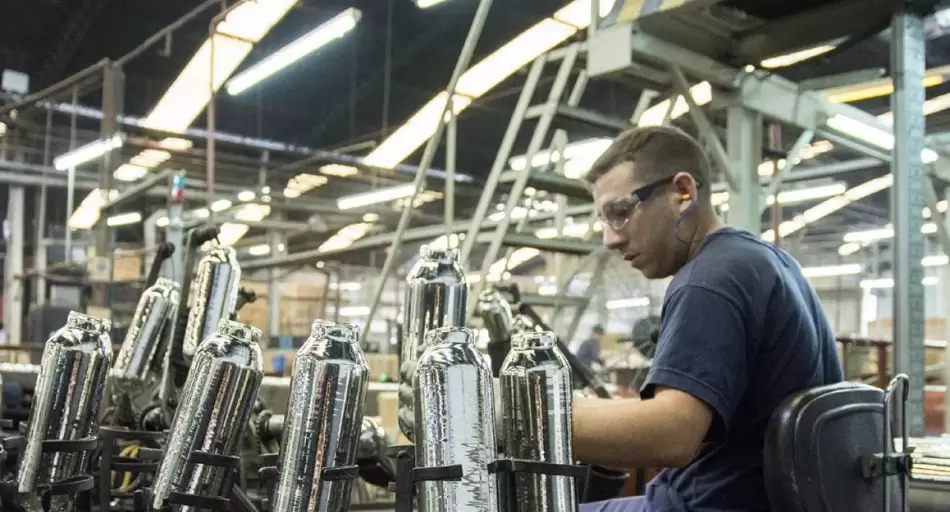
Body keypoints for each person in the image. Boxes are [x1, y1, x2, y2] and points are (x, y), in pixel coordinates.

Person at [574, 126, 845, 512]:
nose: (610, 239)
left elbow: (671, 434)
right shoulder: (765, 261)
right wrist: (577, 408)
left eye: (620, 212)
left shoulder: (709, 280)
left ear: (683, 192)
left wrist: (523, 419)